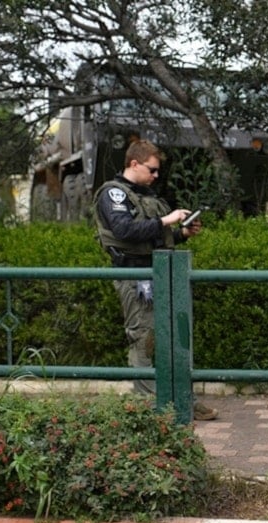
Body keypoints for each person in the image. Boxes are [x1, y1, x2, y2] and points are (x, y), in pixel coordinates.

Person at [94, 139, 218, 421]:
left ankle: (182, 399)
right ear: (134, 164)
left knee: (174, 337)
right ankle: (149, 406)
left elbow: (153, 239)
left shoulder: (146, 195)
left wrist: (182, 234)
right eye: (152, 169)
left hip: (160, 272)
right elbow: (124, 230)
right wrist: (166, 220)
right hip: (134, 275)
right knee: (143, 338)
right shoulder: (114, 194)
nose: (156, 175)